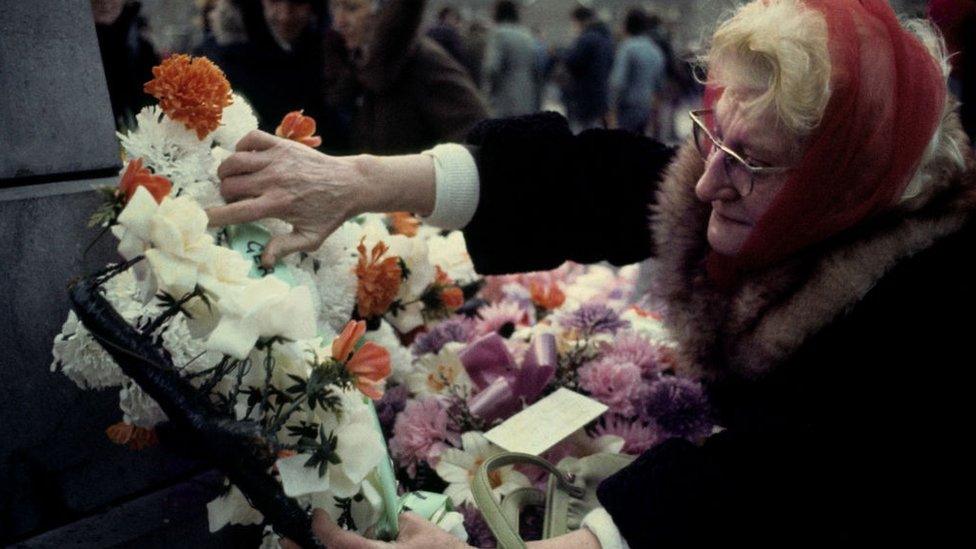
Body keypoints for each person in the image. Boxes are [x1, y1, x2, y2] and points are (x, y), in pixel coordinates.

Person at [210, 0, 970, 546]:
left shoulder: (919, 305)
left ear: (848, 182)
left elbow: (785, 478)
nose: (709, 186)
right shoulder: (749, 190)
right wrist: (361, 181)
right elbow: (591, 178)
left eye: (753, 163)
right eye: (713, 138)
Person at [324, 0, 488, 154]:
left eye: (352, 8)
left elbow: (482, 140)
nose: (338, 22)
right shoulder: (364, 64)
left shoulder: (423, 62)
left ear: (384, 12)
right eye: (335, 8)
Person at [195, 0, 349, 150]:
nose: (285, 16)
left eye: (299, 2)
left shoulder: (336, 52)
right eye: (274, 1)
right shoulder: (218, 61)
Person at [91, 0, 160, 128]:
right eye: (96, 1)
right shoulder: (77, 44)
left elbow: (152, 98)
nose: (106, 4)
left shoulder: (140, 38)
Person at [608, 7, 666, 135]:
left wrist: (611, 110)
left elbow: (618, 82)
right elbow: (659, 85)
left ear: (626, 25)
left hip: (627, 107)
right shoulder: (655, 49)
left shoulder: (626, 48)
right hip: (646, 107)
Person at [482, 0, 542, 117]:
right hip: (527, 97)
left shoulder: (498, 34)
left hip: (505, 100)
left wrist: (489, 93)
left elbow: (492, 68)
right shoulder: (527, 35)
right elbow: (537, 69)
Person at [561, 6, 614, 132]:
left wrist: (561, 54)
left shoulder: (587, 38)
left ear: (580, 21)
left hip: (584, 97)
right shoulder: (606, 38)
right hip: (599, 95)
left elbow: (572, 61)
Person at [426, 5, 469, 72]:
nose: (457, 22)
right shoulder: (449, 32)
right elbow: (459, 54)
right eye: (456, 18)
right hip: (445, 69)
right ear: (447, 17)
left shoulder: (429, 30)